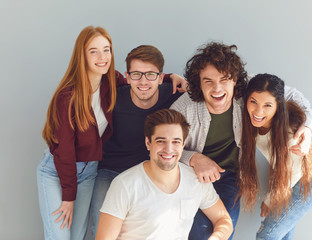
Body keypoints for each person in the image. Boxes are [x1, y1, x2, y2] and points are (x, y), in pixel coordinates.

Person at [37, 26, 185, 240]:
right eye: (94, 51)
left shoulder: (112, 81)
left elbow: (142, 81)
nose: (102, 57)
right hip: (58, 168)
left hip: (89, 171)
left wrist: (171, 77)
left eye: (106, 50)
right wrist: (68, 198)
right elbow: (65, 150)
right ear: (82, 55)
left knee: (78, 235)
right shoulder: (68, 96)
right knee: (60, 237)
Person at [171, 42, 312, 240]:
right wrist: (194, 158)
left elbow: (293, 96)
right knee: (198, 234)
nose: (217, 89)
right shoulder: (184, 107)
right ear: (199, 82)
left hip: (230, 177)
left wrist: (307, 126)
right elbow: (163, 147)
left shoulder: (247, 95)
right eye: (208, 81)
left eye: (224, 79)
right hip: (193, 177)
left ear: (235, 80)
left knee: (222, 233)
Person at [90, 45, 186, 237]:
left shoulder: (174, 96)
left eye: (150, 75)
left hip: (148, 173)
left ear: (161, 77)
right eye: (136, 74)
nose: (143, 81)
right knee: (99, 228)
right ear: (127, 77)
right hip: (109, 170)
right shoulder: (113, 98)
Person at [95, 109, 233, 240]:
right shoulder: (124, 185)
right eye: (161, 141)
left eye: (175, 142)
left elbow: (223, 220)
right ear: (148, 143)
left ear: (183, 144)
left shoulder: (196, 180)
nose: (168, 149)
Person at [238, 73, 312, 240]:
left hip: (309, 179)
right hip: (285, 175)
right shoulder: (248, 121)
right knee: (282, 235)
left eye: (267, 105)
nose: (258, 111)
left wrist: (270, 200)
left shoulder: (288, 134)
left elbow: (292, 172)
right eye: (253, 102)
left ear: (278, 106)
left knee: (267, 235)